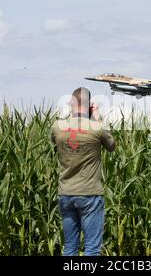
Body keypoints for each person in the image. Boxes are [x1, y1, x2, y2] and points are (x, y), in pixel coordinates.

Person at [51, 87, 115, 256]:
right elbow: (111, 146)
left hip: (66, 193)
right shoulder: (96, 128)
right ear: (89, 105)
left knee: (70, 247)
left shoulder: (57, 126)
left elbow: (54, 142)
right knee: (92, 248)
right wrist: (97, 117)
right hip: (90, 193)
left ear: (71, 103)